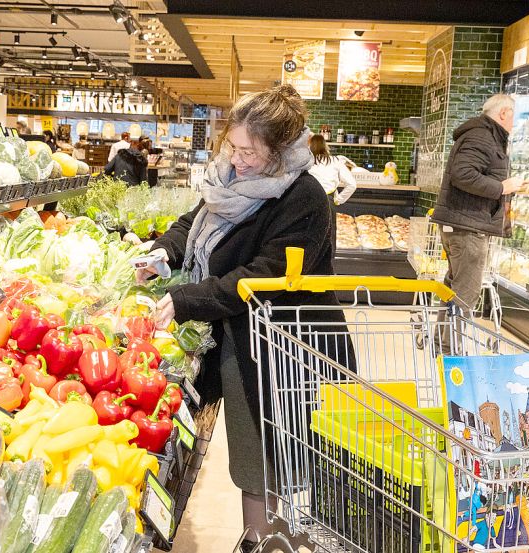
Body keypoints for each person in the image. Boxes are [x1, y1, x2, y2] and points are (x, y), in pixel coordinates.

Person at [135, 85, 355, 550]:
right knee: (254, 455)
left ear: (280, 151)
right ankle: (260, 539)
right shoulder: (229, 180)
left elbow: (262, 276)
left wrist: (186, 298)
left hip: (287, 346)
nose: (237, 158)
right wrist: (163, 253)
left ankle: (266, 539)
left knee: (274, 454)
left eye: (249, 151)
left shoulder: (304, 199)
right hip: (242, 336)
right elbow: (193, 223)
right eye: (232, 146)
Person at [431, 94, 524, 339]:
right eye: (513, 116)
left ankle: (443, 344)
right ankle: (451, 351)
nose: (514, 122)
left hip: (464, 223)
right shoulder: (482, 136)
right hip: (468, 226)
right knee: (465, 292)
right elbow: (462, 174)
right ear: (503, 113)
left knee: (455, 287)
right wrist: (502, 188)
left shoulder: (483, 135)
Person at [308, 134, 358, 205]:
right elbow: (352, 184)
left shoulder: (305, 162)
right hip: (328, 202)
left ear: (310, 146)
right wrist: (338, 200)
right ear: (325, 146)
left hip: (308, 201)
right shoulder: (336, 161)